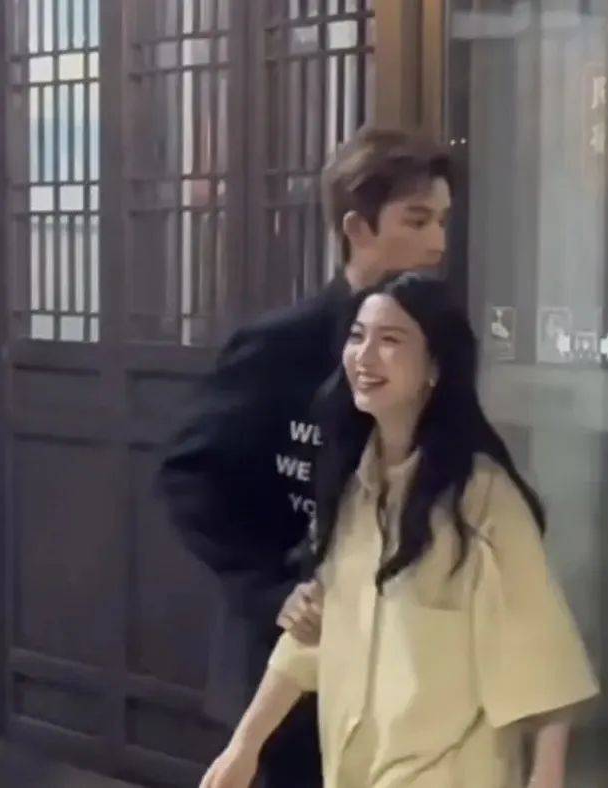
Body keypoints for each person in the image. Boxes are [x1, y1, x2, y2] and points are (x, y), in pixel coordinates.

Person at [199, 273, 599, 788]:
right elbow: (310, 639)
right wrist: (245, 745)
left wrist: (546, 776)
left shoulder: (482, 498)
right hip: (354, 769)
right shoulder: (352, 487)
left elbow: (543, 652)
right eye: (357, 336)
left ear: (435, 366)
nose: (365, 357)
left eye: (390, 340)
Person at [157, 130, 454, 787]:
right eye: (417, 221)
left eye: (442, 220)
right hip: (290, 659)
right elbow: (189, 478)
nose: (437, 241)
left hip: (395, 657)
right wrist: (269, 588)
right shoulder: (279, 346)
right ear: (357, 228)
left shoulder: (439, 350)